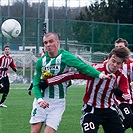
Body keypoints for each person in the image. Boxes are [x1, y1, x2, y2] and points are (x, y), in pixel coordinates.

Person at [29, 32, 114, 133]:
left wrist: (101, 75)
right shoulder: (40, 62)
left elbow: (83, 67)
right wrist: (39, 100)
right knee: (35, 131)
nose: (48, 45)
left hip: (57, 102)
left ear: (57, 42)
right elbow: (36, 84)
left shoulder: (65, 56)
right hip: (41, 101)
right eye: (45, 43)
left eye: (51, 41)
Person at [39, 47, 131, 133]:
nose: (114, 65)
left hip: (109, 110)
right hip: (91, 110)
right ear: (109, 58)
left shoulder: (121, 75)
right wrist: (48, 81)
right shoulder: (94, 69)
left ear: (122, 64)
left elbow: (127, 96)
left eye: (118, 63)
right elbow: (71, 74)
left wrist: (119, 93)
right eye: (113, 61)